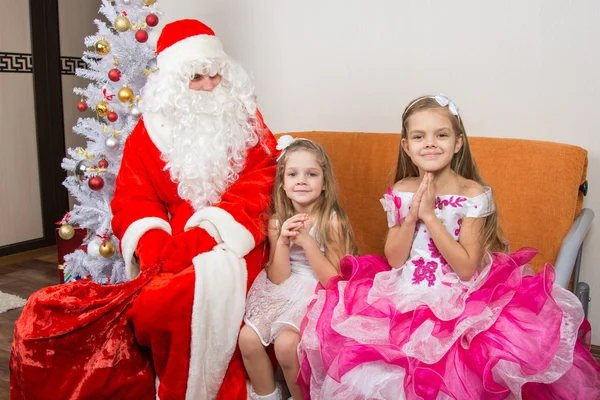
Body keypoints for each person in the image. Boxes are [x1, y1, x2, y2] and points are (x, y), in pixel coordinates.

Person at [10, 19, 278, 400]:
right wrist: (152, 241)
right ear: (174, 82)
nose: (208, 87)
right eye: (196, 78)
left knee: (175, 300)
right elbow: (133, 197)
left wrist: (211, 232)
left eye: (215, 76)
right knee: (152, 304)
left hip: (239, 238)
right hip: (173, 243)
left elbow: (262, 180)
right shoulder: (149, 132)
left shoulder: (245, 120)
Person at [297, 94, 600, 399]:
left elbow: (467, 268)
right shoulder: (402, 191)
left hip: (459, 297)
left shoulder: (473, 193)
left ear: (457, 142)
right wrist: (412, 214)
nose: (430, 143)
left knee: (455, 370)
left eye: (441, 135)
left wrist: (430, 216)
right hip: (404, 293)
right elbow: (395, 259)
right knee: (376, 369)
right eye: (419, 136)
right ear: (407, 146)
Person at [238, 137, 358, 400]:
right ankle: (267, 395)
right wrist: (282, 240)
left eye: (311, 174)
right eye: (293, 174)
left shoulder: (332, 221)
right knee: (247, 339)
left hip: (319, 293)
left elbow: (334, 281)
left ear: (325, 184)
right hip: (283, 290)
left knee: (286, 346)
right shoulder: (276, 221)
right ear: (283, 183)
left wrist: (307, 242)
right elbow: (279, 278)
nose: (301, 180)